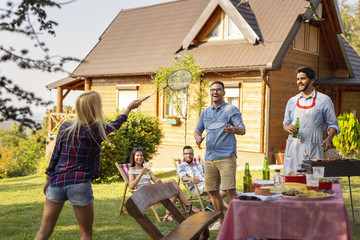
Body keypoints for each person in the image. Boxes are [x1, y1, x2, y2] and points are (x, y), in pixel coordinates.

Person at [35, 91, 142, 240]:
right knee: (85, 234)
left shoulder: (65, 126)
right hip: (79, 184)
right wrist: (129, 108)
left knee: (44, 231)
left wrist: (48, 179)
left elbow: (55, 155)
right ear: (95, 107)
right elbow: (117, 124)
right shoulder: (97, 129)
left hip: (57, 182)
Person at [194, 81, 246, 231]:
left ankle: (237, 222)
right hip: (210, 157)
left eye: (218, 90)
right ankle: (221, 221)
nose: (215, 92)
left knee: (230, 190)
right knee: (212, 191)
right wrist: (197, 137)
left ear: (224, 93)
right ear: (210, 93)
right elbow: (198, 130)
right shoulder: (206, 112)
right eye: (212, 90)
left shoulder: (231, 110)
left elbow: (242, 129)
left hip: (226, 157)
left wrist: (233, 129)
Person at [283, 67, 340, 175]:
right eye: (297, 79)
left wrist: (328, 139)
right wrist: (288, 128)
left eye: (303, 78)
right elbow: (285, 123)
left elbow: (333, 124)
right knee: (292, 184)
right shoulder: (292, 101)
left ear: (312, 80)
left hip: (313, 148)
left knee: (313, 183)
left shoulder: (324, 100)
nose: (299, 81)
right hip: (293, 149)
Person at [128, 148, 201, 222]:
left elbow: (155, 180)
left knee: (173, 185)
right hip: (143, 192)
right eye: (137, 155)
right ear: (133, 157)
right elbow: (131, 186)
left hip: (151, 189)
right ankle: (189, 206)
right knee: (173, 187)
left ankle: (168, 215)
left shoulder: (146, 167)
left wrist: (158, 181)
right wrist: (140, 174)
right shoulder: (132, 169)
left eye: (141, 155)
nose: (140, 157)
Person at [176, 146, 229, 211]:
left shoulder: (200, 165)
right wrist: (191, 179)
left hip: (207, 182)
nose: (188, 155)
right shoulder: (181, 166)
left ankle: (212, 204)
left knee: (226, 188)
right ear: (183, 155)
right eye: (186, 154)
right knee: (211, 189)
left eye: (190, 153)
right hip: (196, 186)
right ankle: (229, 208)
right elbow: (183, 178)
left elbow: (209, 173)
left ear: (193, 154)